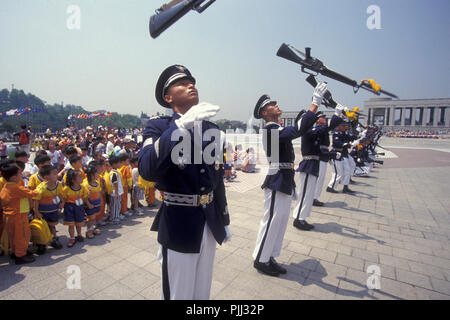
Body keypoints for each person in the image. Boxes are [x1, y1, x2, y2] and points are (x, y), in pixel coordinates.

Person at [138, 65, 231, 300]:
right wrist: (179, 127)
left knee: (202, 291)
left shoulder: (212, 129)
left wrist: (224, 217)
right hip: (179, 222)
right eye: (182, 83)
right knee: (179, 292)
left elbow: (216, 178)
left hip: (209, 220)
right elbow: (148, 169)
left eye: (192, 82)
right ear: (168, 98)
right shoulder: (159, 127)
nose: (191, 85)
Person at [251, 84, 327, 277]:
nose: (276, 105)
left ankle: (269, 256)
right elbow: (297, 130)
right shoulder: (270, 130)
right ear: (264, 113)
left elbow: (297, 129)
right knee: (272, 221)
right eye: (271, 104)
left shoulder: (276, 129)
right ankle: (261, 259)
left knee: (281, 221)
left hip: (284, 178)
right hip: (277, 179)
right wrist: (314, 104)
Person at [292, 108, 343, 231]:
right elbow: (324, 128)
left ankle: (302, 217)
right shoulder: (308, 131)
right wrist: (337, 115)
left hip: (313, 165)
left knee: (308, 194)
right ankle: (298, 219)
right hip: (308, 165)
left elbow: (319, 151)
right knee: (304, 194)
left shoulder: (312, 131)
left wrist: (332, 155)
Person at [0, 164, 38, 264]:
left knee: (13, 236)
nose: (21, 175)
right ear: (13, 177)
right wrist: (43, 186)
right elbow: (32, 193)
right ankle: (20, 255)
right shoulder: (16, 188)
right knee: (22, 235)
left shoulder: (6, 186)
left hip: (8, 215)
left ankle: (15, 252)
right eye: (19, 174)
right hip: (18, 216)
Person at [32, 165, 64, 250]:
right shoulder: (41, 187)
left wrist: (62, 202)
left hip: (53, 210)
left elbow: (60, 194)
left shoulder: (58, 185)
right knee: (42, 227)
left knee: (52, 226)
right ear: (46, 177)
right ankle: (41, 243)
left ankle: (53, 240)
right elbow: (36, 200)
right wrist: (36, 212)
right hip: (43, 212)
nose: (57, 175)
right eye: (54, 174)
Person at [62, 169, 89, 247]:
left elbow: (85, 197)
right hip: (69, 207)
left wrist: (88, 195)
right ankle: (72, 237)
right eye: (80, 177)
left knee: (79, 222)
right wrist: (62, 204)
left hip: (79, 207)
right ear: (73, 180)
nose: (82, 178)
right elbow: (63, 198)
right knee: (71, 224)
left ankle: (79, 234)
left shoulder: (83, 187)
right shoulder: (66, 189)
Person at [82, 165, 102, 239]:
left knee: (94, 217)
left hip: (96, 203)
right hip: (90, 204)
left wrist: (101, 201)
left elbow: (99, 192)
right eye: (96, 173)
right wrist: (88, 204)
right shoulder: (86, 185)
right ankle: (88, 231)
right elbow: (84, 197)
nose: (98, 174)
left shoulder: (97, 182)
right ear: (92, 175)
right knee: (91, 218)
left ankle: (92, 229)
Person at [105, 155, 123, 225]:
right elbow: (115, 184)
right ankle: (114, 218)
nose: (120, 164)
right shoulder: (113, 173)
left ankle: (117, 215)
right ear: (114, 164)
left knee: (118, 205)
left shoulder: (115, 172)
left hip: (118, 192)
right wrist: (116, 193)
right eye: (119, 163)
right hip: (115, 193)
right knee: (115, 206)